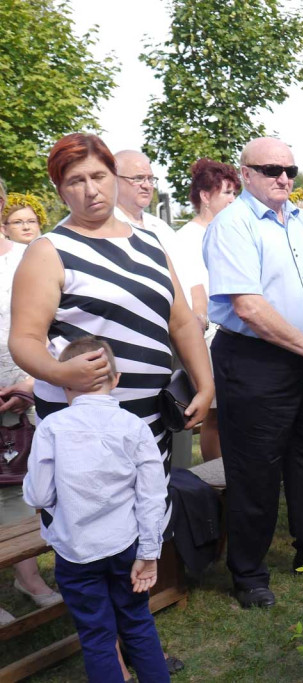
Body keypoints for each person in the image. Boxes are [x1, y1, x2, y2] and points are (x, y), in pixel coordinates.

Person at [8, 134, 213, 660]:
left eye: (98, 176)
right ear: (60, 190)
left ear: (113, 177)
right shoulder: (48, 251)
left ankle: (136, 639)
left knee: (140, 528)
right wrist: (61, 371)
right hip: (83, 429)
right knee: (92, 538)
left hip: (146, 424)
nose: (90, 190)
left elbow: (182, 321)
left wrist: (205, 381)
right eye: (74, 181)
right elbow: (24, 339)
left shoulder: (148, 243)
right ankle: (115, 655)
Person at [203, 137, 303, 608]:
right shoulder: (233, 225)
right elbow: (247, 306)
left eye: (289, 168)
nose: (283, 177)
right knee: (255, 470)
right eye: (270, 169)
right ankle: (248, 574)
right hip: (255, 361)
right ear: (245, 174)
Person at [22, 337, 171, 683]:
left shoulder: (51, 428)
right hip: (127, 546)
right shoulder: (136, 427)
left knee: (97, 637)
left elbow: (39, 495)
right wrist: (149, 552)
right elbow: (152, 496)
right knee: (137, 625)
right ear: (116, 380)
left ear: (63, 383)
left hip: (75, 553)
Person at [0, 180, 60, 627]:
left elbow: (53, 322)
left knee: (16, 490)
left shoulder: (28, 256)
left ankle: (28, 577)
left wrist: (28, 377)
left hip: (22, 391)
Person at [169, 159, 240, 462]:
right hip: (207, 336)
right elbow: (193, 289)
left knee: (234, 412)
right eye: (226, 193)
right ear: (205, 196)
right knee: (216, 414)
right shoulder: (186, 238)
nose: (233, 200)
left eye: (235, 193)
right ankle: (218, 477)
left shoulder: (234, 230)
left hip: (236, 334)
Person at [113, 150, 177, 250]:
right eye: (138, 178)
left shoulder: (161, 228)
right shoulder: (105, 228)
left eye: (150, 179)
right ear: (114, 180)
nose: (147, 186)